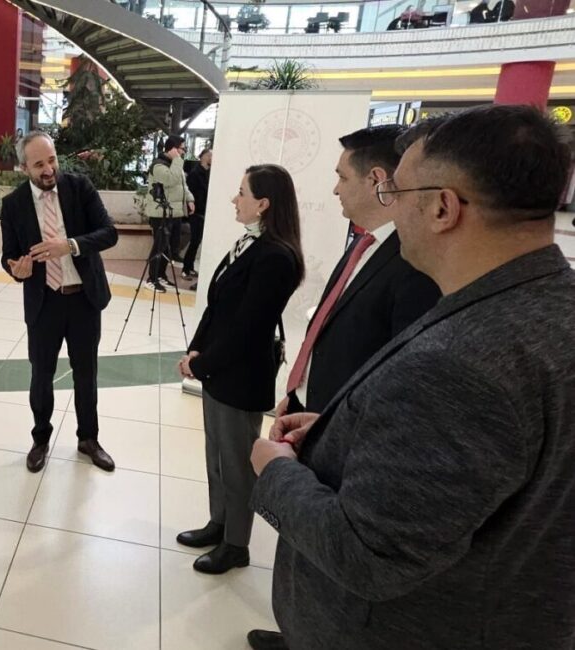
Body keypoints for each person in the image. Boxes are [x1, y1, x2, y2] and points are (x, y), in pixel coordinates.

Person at [250, 105, 575, 649]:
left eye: (397, 195)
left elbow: (368, 555)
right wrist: (341, 435)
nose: (390, 212)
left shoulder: (459, 364)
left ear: (443, 207)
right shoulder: (547, 306)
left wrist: (277, 472)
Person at [244, 125, 441, 650]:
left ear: (377, 179)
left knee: (329, 539)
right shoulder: (363, 243)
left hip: (352, 429)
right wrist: (298, 388)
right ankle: (295, 626)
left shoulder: (411, 262)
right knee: (301, 536)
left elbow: (394, 364)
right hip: (317, 410)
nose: (333, 189)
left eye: (340, 176)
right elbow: (329, 325)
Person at [176, 164, 304, 575]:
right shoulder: (249, 244)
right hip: (219, 370)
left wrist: (205, 362)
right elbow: (218, 308)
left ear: (263, 204)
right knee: (217, 457)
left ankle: (237, 543)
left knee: (235, 463)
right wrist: (196, 351)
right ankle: (219, 522)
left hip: (240, 375)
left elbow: (249, 327)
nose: (235, 199)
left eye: (242, 192)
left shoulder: (276, 257)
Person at [0, 131, 118, 473]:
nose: (49, 169)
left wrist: (71, 245)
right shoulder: (14, 204)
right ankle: (40, 439)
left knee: (86, 373)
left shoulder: (79, 188)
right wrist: (18, 271)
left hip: (83, 299)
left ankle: (89, 439)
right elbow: (9, 256)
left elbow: (109, 232)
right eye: (39, 164)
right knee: (41, 375)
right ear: (24, 168)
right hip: (43, 303)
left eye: (51, 160)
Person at [145, 135, 194, 292]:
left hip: (175, 212)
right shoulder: (158, 165)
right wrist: (178, 160)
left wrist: (189, 199)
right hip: (161, 213)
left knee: (170, 247)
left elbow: (182, 184)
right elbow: (170, 180)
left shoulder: (174, 164)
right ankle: (151, 278)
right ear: (173, 148)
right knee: (159, 247)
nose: (183, 152)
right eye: (182, 149)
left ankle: (161, 275)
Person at [183, 148, 212, 281]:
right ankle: (185, 268)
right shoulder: (196, 173)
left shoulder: (208, 172)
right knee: (194, 240)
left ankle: (190, 267)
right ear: (205, 157)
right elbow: (191, 192)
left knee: (197, 241)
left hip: (204, 211)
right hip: (196, 212)